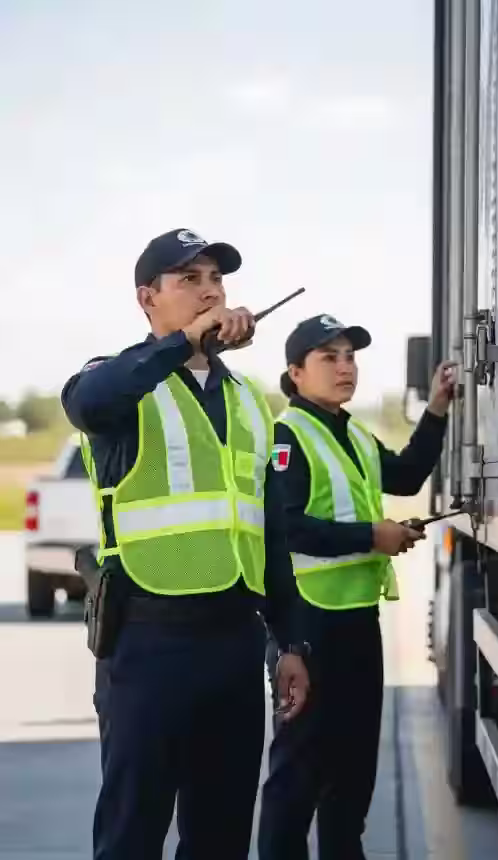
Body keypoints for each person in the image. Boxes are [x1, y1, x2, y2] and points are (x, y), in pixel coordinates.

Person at [61, 227, 310, 860]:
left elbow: (269, 529)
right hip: (147, 643)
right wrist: (181, 346)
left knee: (221, 836)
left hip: (233, 643)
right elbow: (87, 402)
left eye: (216, 280)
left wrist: (290, 642)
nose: (209, 292)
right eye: (188, 280)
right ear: (148, 298)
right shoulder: (115, 382)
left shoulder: (249, 400)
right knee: (132, 834)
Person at [258, 313, 454, 860]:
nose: (345, 367)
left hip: (357, 622)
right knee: (297, 778)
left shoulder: (353, 434)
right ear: (295, 373)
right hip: (308, 626)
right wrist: (374, 535)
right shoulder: (287, 437)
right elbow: (288, 526)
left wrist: (436, 408)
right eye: (330, 358)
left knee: (352, 776)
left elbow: (407, 476)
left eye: (350, 357)